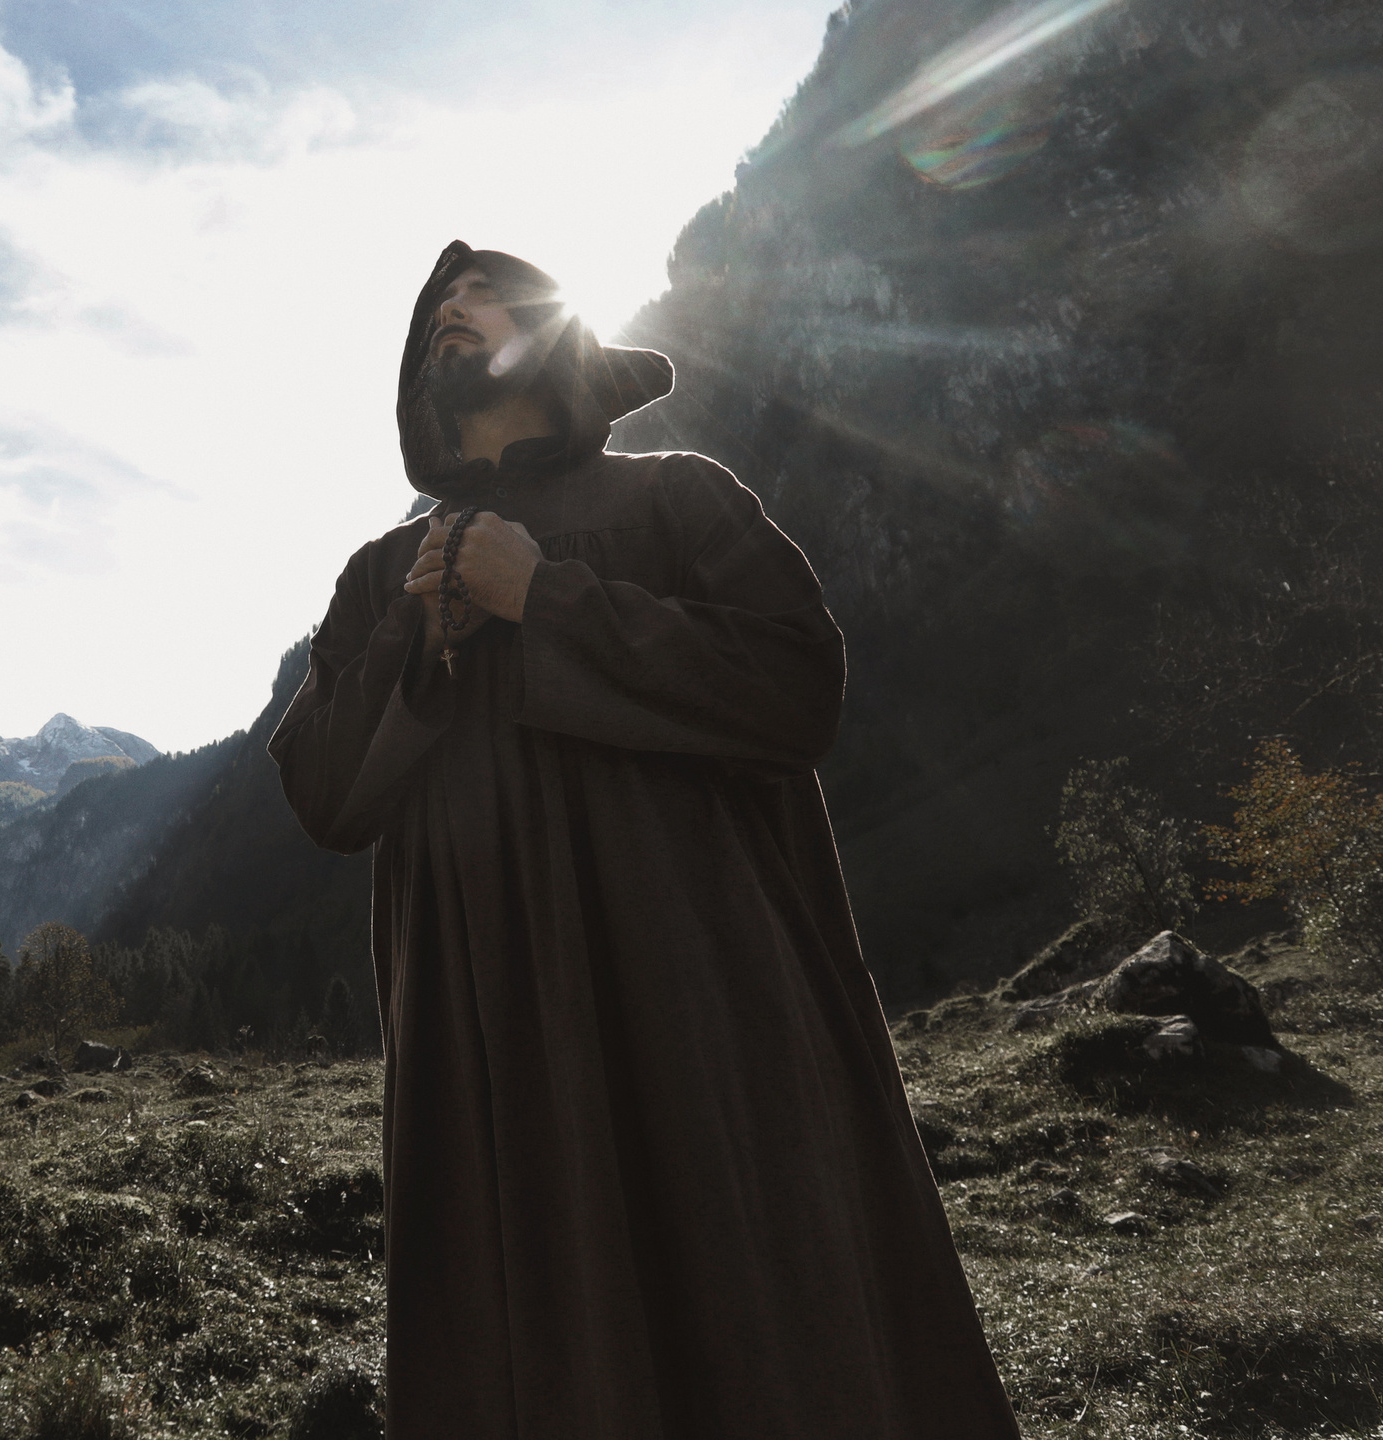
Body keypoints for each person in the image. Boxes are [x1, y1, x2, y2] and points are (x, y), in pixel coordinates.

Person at [268, 241, 1021, 1438]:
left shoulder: (676, 499)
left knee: (756, 1325)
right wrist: (415, 643)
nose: (447, 316)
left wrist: (546, 596)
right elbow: (322, 796)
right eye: (431, 316)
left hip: (704, 1022)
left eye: (483, 300)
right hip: (489, 1052)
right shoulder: (377, 582)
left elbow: (795, 691)